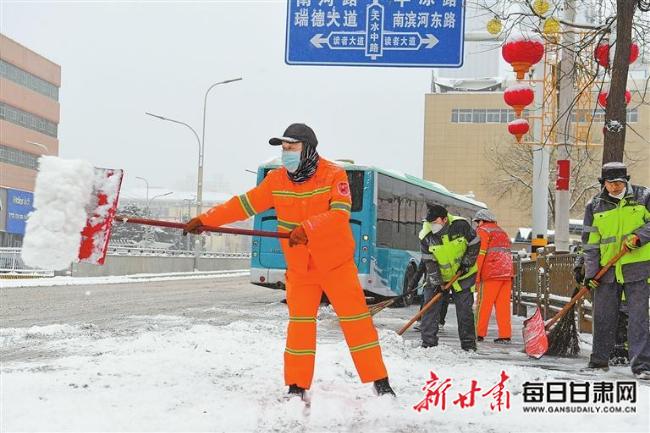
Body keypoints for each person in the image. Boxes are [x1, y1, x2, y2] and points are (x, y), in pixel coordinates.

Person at [184, 123, 395, 397]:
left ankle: (380, 382)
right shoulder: (276, 180)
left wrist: (308, 228)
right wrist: (206, 220)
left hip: (335, 265)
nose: (286, 153)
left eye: (291, 147)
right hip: (300, 268)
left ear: (307, 149)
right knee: (300, 328)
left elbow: (340, 214)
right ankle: (296, 386)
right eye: (283, 148)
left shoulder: (334, 174)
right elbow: (243, 204)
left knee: (356, 322)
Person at [582, 162, 650, 379]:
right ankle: (598, 361)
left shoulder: (643, 196)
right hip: (607, 270)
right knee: (603, 316)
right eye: (610, 183)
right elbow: (591, 244)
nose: (615, 187)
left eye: (619, 182)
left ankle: (642, 366)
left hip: (637, 268)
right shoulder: (595, 205)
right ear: (604, 183)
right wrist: (591, 275)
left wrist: (640, 237)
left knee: (639, 318)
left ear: (626, 181)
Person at [418, 204, 480, 351]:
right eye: (430, 222)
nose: (432, 225)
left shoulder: (460, 226)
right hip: (438, 276)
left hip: (463, 274)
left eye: (435, 222)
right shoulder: (426, 236)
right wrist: (437, 282)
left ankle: (468, 345)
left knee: (464, 310)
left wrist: (467, 263)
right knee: (430, 307)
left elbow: (475, 243)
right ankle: (428, 343)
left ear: (445, 219)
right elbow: (429, 262)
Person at [574, 247, 629, 365]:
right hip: (604, 282)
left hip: (626, 282)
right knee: (606, 319)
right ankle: (610, 353)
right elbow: (587, 247)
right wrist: (579, 266)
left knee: (623, 318)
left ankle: (620, 352)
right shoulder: (599, 232)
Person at [472, 209, 513, 344]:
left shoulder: (483, 231)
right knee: (503, 306)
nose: (477, 225)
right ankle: (505, 334)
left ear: (482, 221)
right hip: (506, 273)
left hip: (490, 273)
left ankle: (478, 333)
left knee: (483, 304)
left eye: (477, 222)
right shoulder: (502, 232)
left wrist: (476, 276)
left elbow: (481, 254)